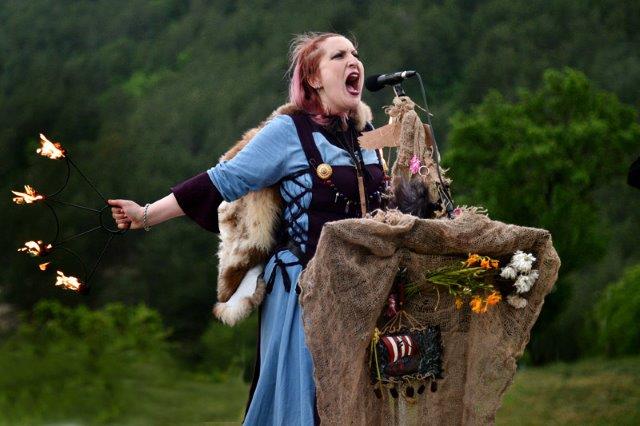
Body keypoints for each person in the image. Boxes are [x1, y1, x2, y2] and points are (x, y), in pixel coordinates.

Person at [108, 32, 387, 425]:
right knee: (309, 404)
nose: (353, 60)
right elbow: (221, 180)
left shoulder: (367, 134)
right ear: (313, 79)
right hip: (306, 290)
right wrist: (147, 214)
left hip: (365, 289)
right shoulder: (288, 132)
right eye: (339, 55)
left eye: (355, 53)